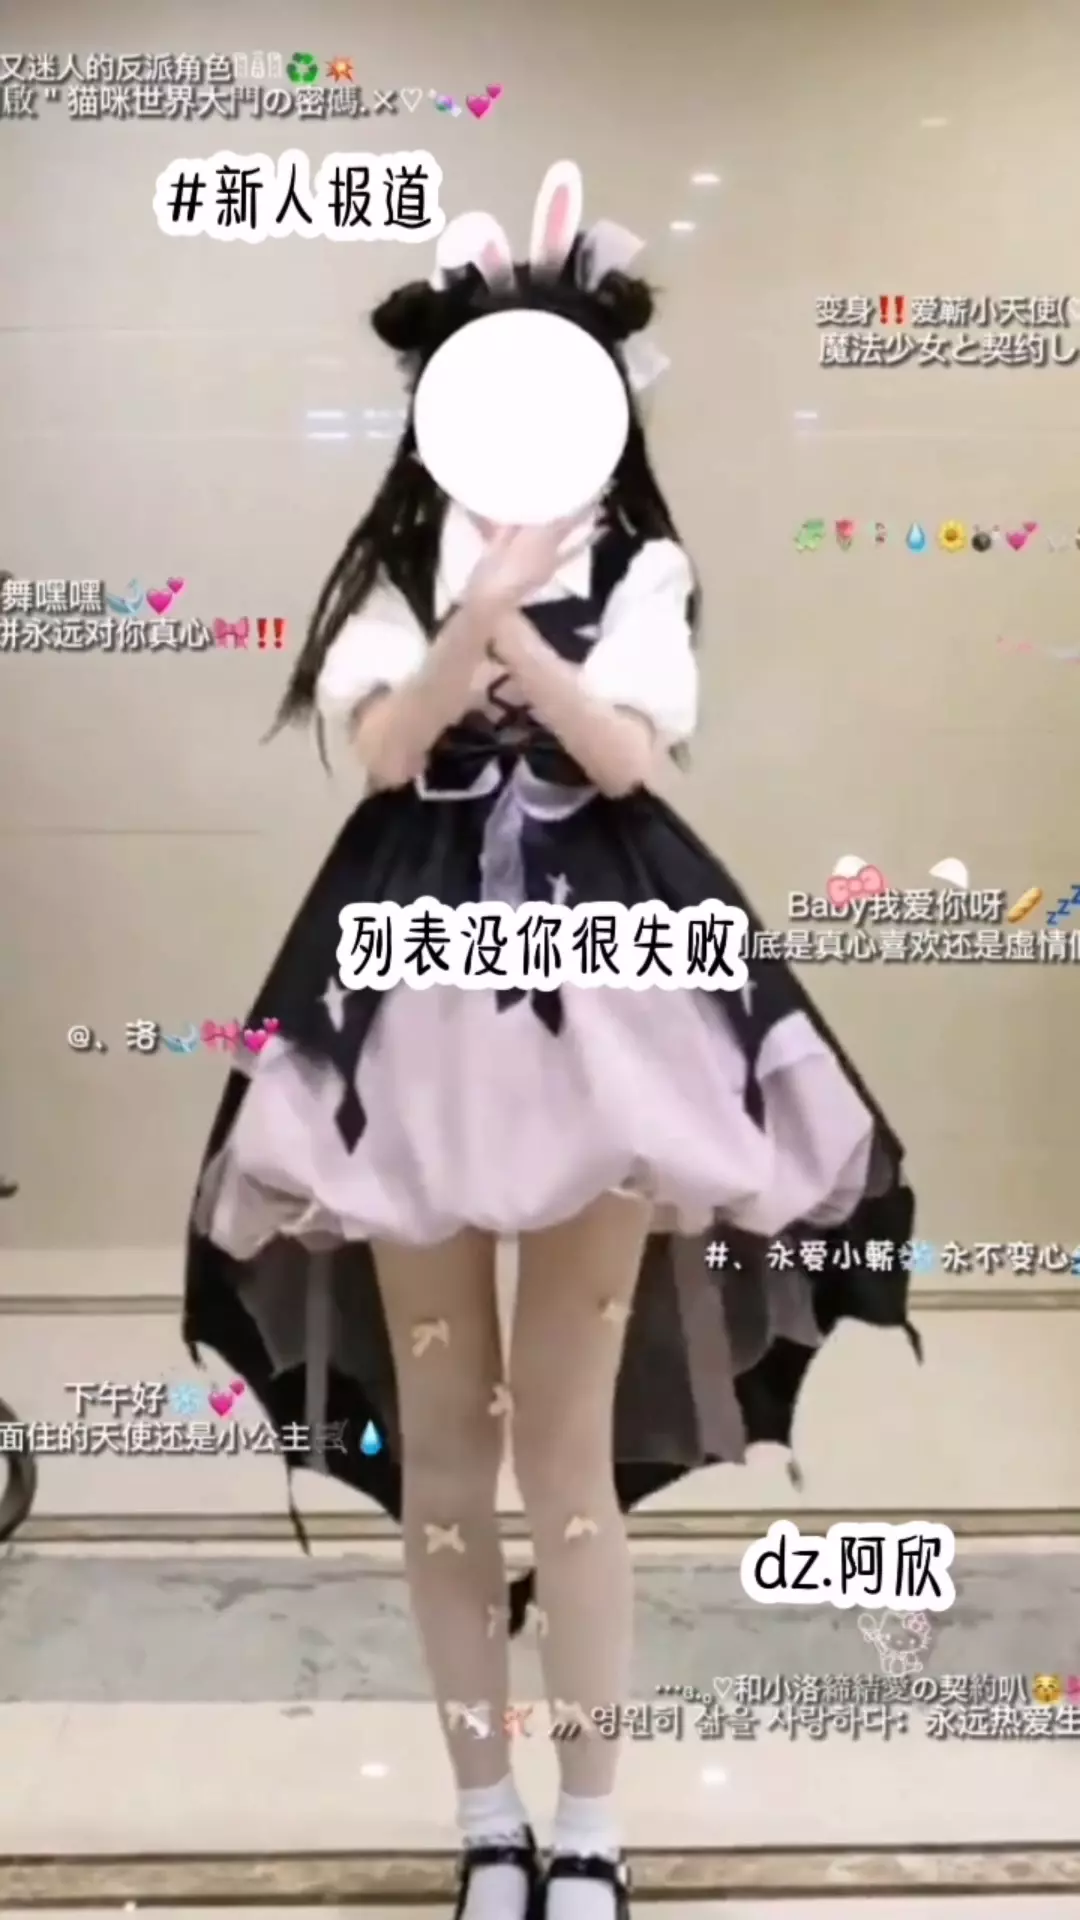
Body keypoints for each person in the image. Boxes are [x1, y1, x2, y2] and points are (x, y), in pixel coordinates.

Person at [184, 162, 917, 1920]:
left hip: (606, 1012)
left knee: (565, 1459)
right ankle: (486, 1820)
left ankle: (590, 1824)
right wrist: (473, 608)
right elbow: (382, 754)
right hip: (413, 1008)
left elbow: (625, 758)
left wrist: (519, 610)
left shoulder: (644, 565)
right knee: (446, 1449)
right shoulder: (394, 569)